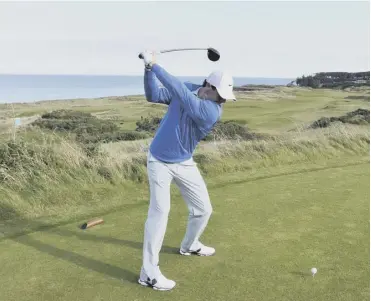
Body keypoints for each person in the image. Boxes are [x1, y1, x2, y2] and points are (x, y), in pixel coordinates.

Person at [138, 50, 236, 291]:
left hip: (184, 162)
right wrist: (148, 70)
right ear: (208, 86)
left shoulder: (211, 111)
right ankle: (148, 273)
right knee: (159, 213)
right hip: (159, 160)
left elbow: (180, 92)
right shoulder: (192, 89)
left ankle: (189, 245)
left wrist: (156, 65)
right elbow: (153, 95)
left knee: (203, 209)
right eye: (220, 94)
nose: (223, 100)